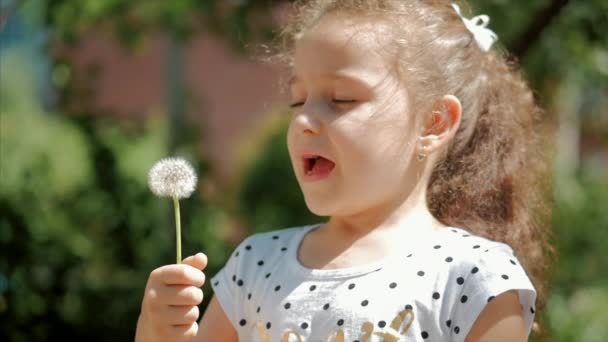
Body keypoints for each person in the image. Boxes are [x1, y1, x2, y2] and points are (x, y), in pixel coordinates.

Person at [135, 1, 553, 341]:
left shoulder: (475, 277)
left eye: (341, 99)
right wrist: (157, 331)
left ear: (434, 123)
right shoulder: (255, 265)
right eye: (297, 101)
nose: (304, 120)